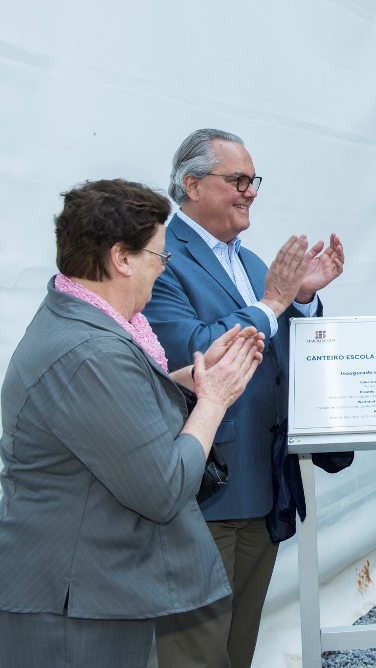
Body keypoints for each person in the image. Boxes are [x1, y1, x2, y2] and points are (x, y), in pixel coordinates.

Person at [0, 179, 263, 668]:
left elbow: (123, 408)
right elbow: (163, 489)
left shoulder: (83, 320)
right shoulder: (91, 352)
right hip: (73, 607)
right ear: (122, 259)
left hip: (86, 592)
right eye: (159, 258)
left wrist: (198, 377)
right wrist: (215, 401)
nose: (163, 272)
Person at [143, 128, 345, 668]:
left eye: (253, 181)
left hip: (265, 486)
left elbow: (281, 345)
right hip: (205, 494)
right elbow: (192, 356)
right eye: (236, 180)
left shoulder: (251, 262)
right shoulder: (159, 258)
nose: (250, 191)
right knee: (194, 653)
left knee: (238, 647)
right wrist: (273, 303)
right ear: (191, 184)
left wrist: (301, 299)